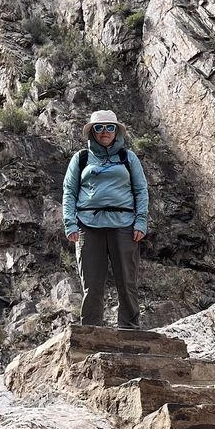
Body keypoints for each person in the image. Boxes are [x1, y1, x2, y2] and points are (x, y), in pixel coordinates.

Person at [62, 110, 149, 329]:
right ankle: (91, 332)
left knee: (127, 282)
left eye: (110, 127)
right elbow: (69, 191)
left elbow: (141, 190)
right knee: (91, 284)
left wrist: (141, 221)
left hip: (125, 225)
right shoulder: (81, 158)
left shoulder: (128, 158)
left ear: (117, 131)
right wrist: (70, 223)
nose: (105, 132)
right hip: (88, 226)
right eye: (99, 127)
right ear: (92, 132)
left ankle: (129, 330)